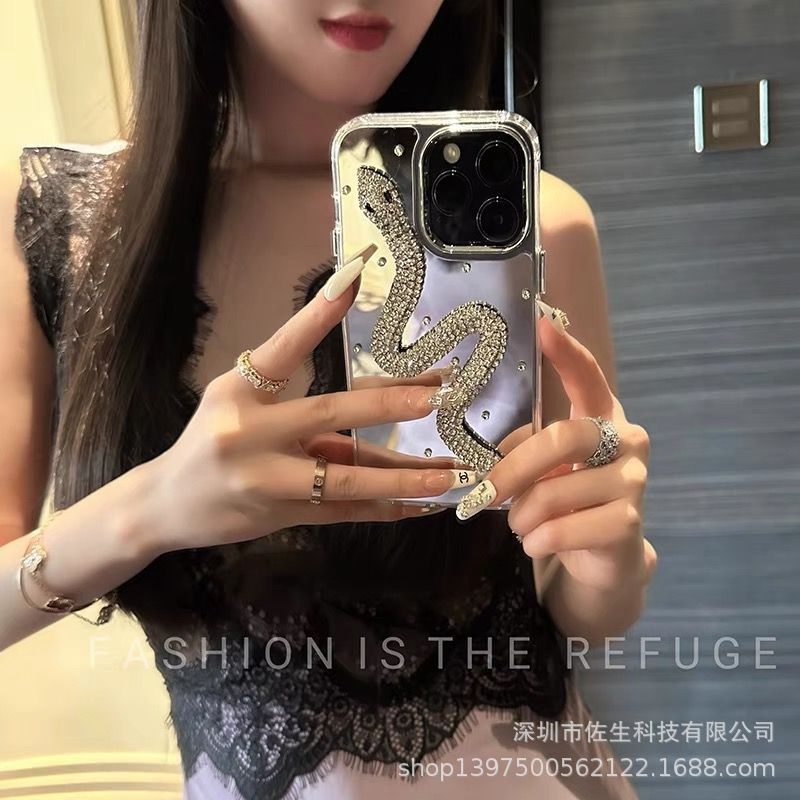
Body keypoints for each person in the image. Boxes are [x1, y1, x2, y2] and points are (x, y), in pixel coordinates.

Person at [0, 1, 655, 798]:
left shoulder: (543, 221)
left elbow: (574, 606)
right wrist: (147, 510)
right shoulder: (59, 224)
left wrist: (611, 562)